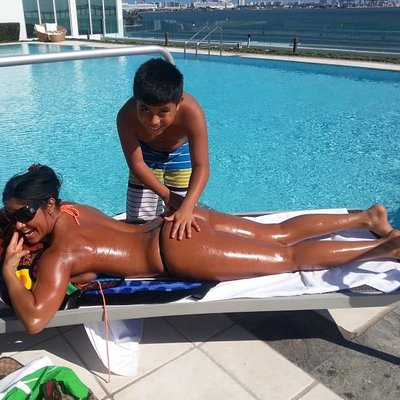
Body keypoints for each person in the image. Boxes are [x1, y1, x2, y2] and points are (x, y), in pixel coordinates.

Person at [2, 165, 400, 334]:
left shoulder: (61, 254)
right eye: (12, 218)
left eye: (25, 215)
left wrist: (9, 272)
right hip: (180, 219)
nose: (20, 225)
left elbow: (35, 320)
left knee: (288, 258)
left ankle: (386, 250)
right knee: (277, 232)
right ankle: (367, 218)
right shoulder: (73, 210)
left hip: (179, 249)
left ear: (49, 204)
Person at [117, 58, 209, 240]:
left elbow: (201, 166)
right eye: (145, 110)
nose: (154, 121)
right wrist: (166, 195)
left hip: (179, 154)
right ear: (136, 100)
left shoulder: (192, 114)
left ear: (179, 103)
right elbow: (137, 163)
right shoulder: (126, 116)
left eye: (163, 112)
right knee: (138, 225)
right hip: (146, 156)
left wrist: (187, 207)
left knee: (182, 222)